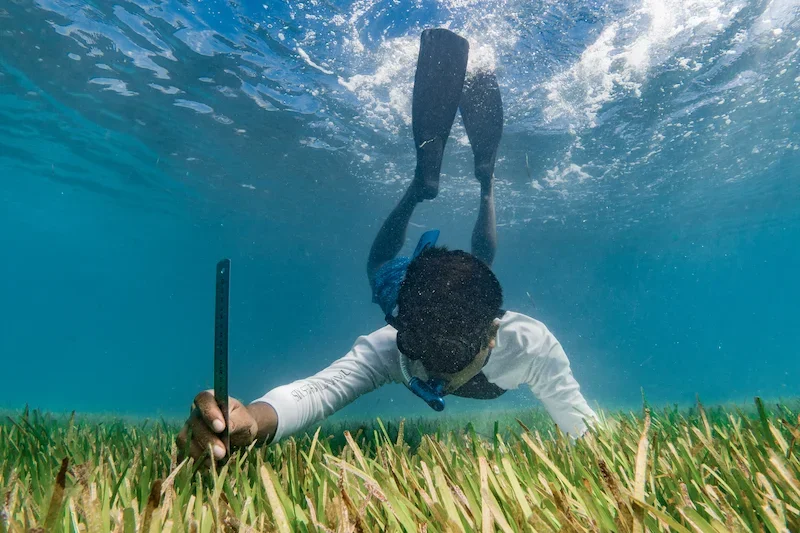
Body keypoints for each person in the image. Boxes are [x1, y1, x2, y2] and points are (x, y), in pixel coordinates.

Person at [177, 28, 597, 462]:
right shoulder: (396, 340)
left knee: (473, 265)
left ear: (493, 335)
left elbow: (581, 425)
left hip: (443, 301)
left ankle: (458, 185)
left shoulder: (529, 345)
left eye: (449, 352)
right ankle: (450, 185)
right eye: (416, 345)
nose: (430, 370)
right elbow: (318, 391)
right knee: (389, 266)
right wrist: (251, 420)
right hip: (411, 290)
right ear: (401, 327)